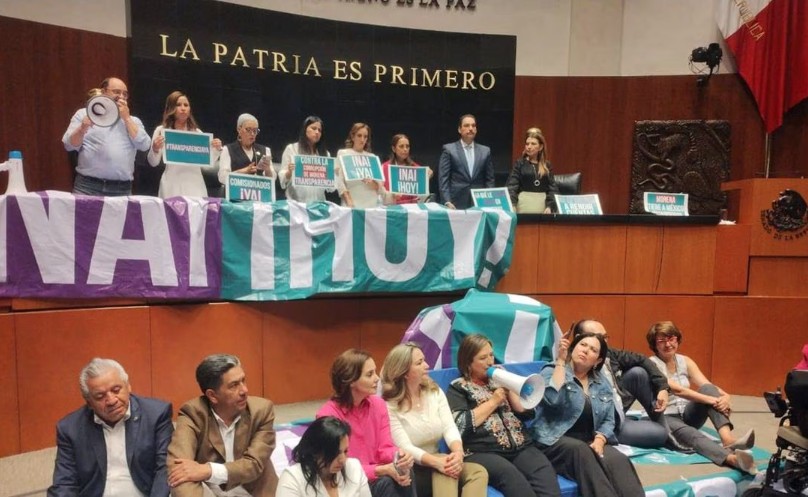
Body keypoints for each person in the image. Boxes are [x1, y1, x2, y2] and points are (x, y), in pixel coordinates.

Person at [532, 332, 645, 497]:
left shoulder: (602, 382)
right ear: (573, 348)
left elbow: (609, 419)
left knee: (618, 459)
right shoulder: (551, 370)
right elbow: (552, 399)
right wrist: (561, 361)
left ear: (598, 360)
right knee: (581, 451)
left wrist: (600, 439)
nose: (585, 350)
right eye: (582, 345)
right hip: (552, 440)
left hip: (589, 440)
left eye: (593, 350)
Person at [446, 334, 560, 497]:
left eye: (491, 355)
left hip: (521, 447)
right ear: (468, 363)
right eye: (483, 358)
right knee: (513, 478)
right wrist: (493, 402)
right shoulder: (458, 388)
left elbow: (528, 413)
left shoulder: (501, 379)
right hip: (484, 451)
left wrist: (511, 389)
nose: (490, 362)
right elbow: (460, 425)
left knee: (545, 475)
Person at [48, 358, 173, 497]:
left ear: (128, 386)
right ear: (89, 402)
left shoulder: (156, 414)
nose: (111, 400)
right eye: (100, 396)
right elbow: (65, 483)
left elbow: (164, 469)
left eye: (116, 390)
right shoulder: (70, 429)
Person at [646, 321, 756, 474]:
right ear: (654, 344)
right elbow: (677, 390)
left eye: (671, 339)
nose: (668, 344)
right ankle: (733, 460)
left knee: (708, 389)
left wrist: (725, 396)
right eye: (661, 340)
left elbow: (706, 385)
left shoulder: (685, 361)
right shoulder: (651, 363)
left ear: (677, 339)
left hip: (687, 414)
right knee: (693, 435)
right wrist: (712, 400)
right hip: (666, 417)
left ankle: (728, 440)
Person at [381, 343, 488, 497]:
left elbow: (449, 427)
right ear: (404, 373)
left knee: (478, 472)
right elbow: (405, 447)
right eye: (419, 363)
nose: (427, 365)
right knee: (446, 470)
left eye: (424, 360)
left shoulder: (434, 391)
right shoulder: (389, 405)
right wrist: (437, 462)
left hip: (440, 460)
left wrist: (458, 453)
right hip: (413, 469)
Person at [167, 354, 278, 496]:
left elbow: (254, 465)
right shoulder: (193, 414)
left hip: (253, 491)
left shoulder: (261, 410)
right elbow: (178, 471)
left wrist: (209, 470)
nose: (244, 390)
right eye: (234, 385)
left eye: (243, 381)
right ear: (212, 396)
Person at [316, 349, 415, 497]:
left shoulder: (378, 404)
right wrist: (380, 470)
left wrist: (399, 456)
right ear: (351, 381)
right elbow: (337, 466)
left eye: (375, 372)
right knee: (386, 482)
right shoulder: (328, 416)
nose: (377, 378)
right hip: (347, 482)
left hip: (378, 476)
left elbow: (385, 447)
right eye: (369, 374)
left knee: (405, 471)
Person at [572, 319, 670, 448]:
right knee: (659, 434)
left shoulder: (607, 354)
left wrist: (662, 387)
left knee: (638, 373)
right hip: (596, 421)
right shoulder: (567, 365)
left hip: (614, 409)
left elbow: (642, 359)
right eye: (599, 338)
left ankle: (668, 435)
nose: (604, 342)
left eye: (605, 337)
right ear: (578, 339)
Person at [63, 76, 151, 196]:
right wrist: (82, 128)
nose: (121, 96)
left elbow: (144, 145)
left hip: (121, 189)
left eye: (125, 94)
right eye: (116, 92)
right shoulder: (84, 113)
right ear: (103, 92)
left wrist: (126, 118)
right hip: (87, 187)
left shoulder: (133, 121)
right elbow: (68, 145)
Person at [147, 91, 222, 198]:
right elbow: (153, 162)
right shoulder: (161, 131)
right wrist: (155, 148)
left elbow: (206, 164)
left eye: (186, 105)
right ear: (171, 108)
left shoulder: (197, 133)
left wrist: (216, 149)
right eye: (178, 105)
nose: (183, 108)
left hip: (195, 186)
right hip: (171, 185)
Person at [277, 416, 371, 497]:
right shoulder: (293, 478)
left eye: (345, 451)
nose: (342, 460)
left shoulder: (354, 468)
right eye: (335, 453)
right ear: (315, 451)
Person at [438, 114, 495, 209]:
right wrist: (447, 201)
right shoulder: (449, 150)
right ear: (459, 129)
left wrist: (489, 200)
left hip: (479, 202)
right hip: (455, 202)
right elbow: (443, 179)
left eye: (473, 125)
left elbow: (490, 180)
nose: (471, 128)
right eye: (467, 125)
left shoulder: (485, 151)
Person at [279, 116, 340, 204]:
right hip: (296, 204)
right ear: (305, 129)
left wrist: (334, 174)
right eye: (314, 128)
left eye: (319, 130)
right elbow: (282, 181)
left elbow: (330, 189)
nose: (317, 132)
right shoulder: (291, 149)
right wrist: (289, 172)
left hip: (318, 205)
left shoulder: (326, 154)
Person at [505, 127, 559, 213]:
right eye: (527, 144)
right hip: (523, 207)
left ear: (540, 147)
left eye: (533, 144)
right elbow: (512, 187)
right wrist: (512, 205)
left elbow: (553, 189)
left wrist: (550, 206)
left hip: (543, 209)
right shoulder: (520, 164)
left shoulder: (547, 165)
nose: (529, 147)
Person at [336, 123, 387, 208]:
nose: (362, 139)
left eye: (365, 136)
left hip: (371, 204)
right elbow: (339, 181)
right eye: (359, 135)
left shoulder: (372, 157)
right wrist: (348, 200)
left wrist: (371, 182)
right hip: (351, 203)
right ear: (352, 137)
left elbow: (379, 187)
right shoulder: (343, 154)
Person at [217, 114, 276, 188]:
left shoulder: (265, 150)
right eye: (248, 130)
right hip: (235, 192)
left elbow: (273, 179)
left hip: (258, 193)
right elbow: (222, 177)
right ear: (239, 129)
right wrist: (244, 171)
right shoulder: (228, 149)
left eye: (255, 131)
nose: (252, 134)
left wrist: (267, 170)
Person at [381, 134, 433, 204]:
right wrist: (391, 195)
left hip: (412, 207)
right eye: (401, 146)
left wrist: (428, 175)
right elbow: (380, 191)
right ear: (394, 149)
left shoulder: (415, 167)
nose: (405, 149)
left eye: (407, 146)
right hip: (391, 207)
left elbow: (422, 193)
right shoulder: (384, 167)